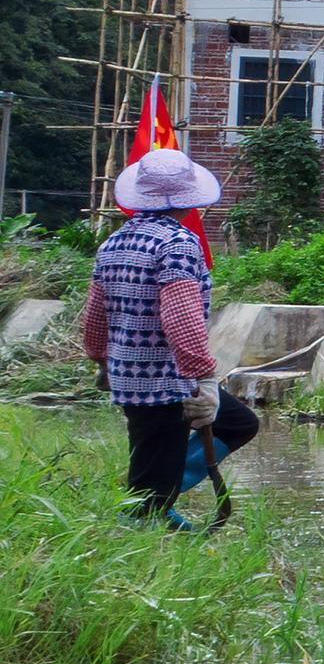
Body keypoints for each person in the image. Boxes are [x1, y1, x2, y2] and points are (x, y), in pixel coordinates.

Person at [82, 148, 251, 523]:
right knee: (151, 471)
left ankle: (160, 494)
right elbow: (181, 315)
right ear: (190, 201)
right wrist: (203, 377)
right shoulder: (178, 243)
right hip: (167, 380)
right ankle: (143, 519)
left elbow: (94, 314)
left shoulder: (113, 243)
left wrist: (101, 360)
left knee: (233, 423)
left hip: (129, 374)